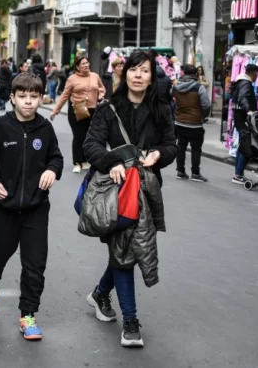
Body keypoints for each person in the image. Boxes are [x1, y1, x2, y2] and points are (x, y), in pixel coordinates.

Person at [82, 50, 177, 348]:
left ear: (152, 77)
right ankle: (131, 322)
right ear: (124, 74)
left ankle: (100, 293)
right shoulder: (110, 108)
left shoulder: (161, 109)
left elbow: (170, 145)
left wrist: (160, 154)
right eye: (133, 69)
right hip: (116, 191)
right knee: (125, 250)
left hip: (146, 191)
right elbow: (91, 144)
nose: (138, 75)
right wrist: (111, 163)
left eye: (144, 70)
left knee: (127, 250)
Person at [0, 72, 63, 341]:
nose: (28, 102)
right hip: (4, 207)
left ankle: (28, 315)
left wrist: (52, 170)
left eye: (34, 97)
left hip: (36, 209)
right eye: (23, 97)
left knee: (35, 263)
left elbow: (56, 158)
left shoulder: (45, 129)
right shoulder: (2, 127)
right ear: (12, 97)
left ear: (40, 98)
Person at [50, 55, 105, 173]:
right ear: (77, 67)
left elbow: (102, 88)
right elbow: (65, 95)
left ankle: (85, 160)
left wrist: (100, 95)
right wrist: (56, 110)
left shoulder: (95, 76)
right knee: (78, 136)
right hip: (77, 110)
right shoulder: (72, 79)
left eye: (87, 63)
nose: (86, 65)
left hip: (92, 110)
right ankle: (77, 162)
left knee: (88, 136)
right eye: (83, 64)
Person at [173, 64, 212, 182]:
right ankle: (195, 173)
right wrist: (202, 116)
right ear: (195, 74)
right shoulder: (199, 87)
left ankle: (180, 171)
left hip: (179, 122)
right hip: (195, 124)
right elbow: (206, 105)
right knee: (196, 149)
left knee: (181, 147)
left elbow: (170, 97)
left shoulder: (175, 86)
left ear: (184, 73)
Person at [231, 64, 258, 184]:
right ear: (253, 73)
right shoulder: (245, 84)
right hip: (243, 118)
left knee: (242, 144)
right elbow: (243, 98)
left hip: (239, 117)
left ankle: (238, 173)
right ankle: (238, 175)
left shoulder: (240, 82)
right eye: (257, 73)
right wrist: (249, 110)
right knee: (245, 145)